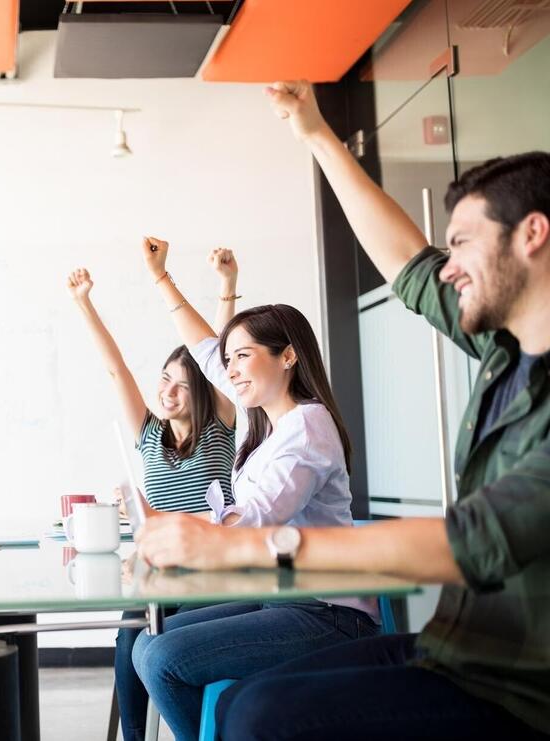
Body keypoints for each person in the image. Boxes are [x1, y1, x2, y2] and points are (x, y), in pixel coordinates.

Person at [144, 80, 550, 741]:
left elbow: (471, 540)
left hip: (522, 685)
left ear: (532, 234)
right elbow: (408, 266)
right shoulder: (506, 348)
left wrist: (243, 543)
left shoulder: (307, 424)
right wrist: (316, 134)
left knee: (256, 713)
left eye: (465, 244)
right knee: (244, 699)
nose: (449, 269)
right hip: (455, 647)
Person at [130, 236, 377, 740]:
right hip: (281, 598)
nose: (231, 369)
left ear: (287, 357)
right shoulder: (264, 422)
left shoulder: (307, 426)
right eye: (230, 360)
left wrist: (165, 524)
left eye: (243, 356)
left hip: (328, 614)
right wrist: (161, 277)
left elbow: (257, 520)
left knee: (163, 660)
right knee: (146, 643)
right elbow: (205, 350)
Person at [66, 257, 238, 740]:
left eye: (183, 385)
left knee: (150, 636)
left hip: (209, 571)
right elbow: (115, 367)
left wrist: (227, 285)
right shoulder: (148, 434)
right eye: (165, 378)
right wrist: (84, 304)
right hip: (158, 571)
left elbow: (220, 360)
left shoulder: (219, 428)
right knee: (127, 639)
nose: (169, 391)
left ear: (202, 391)